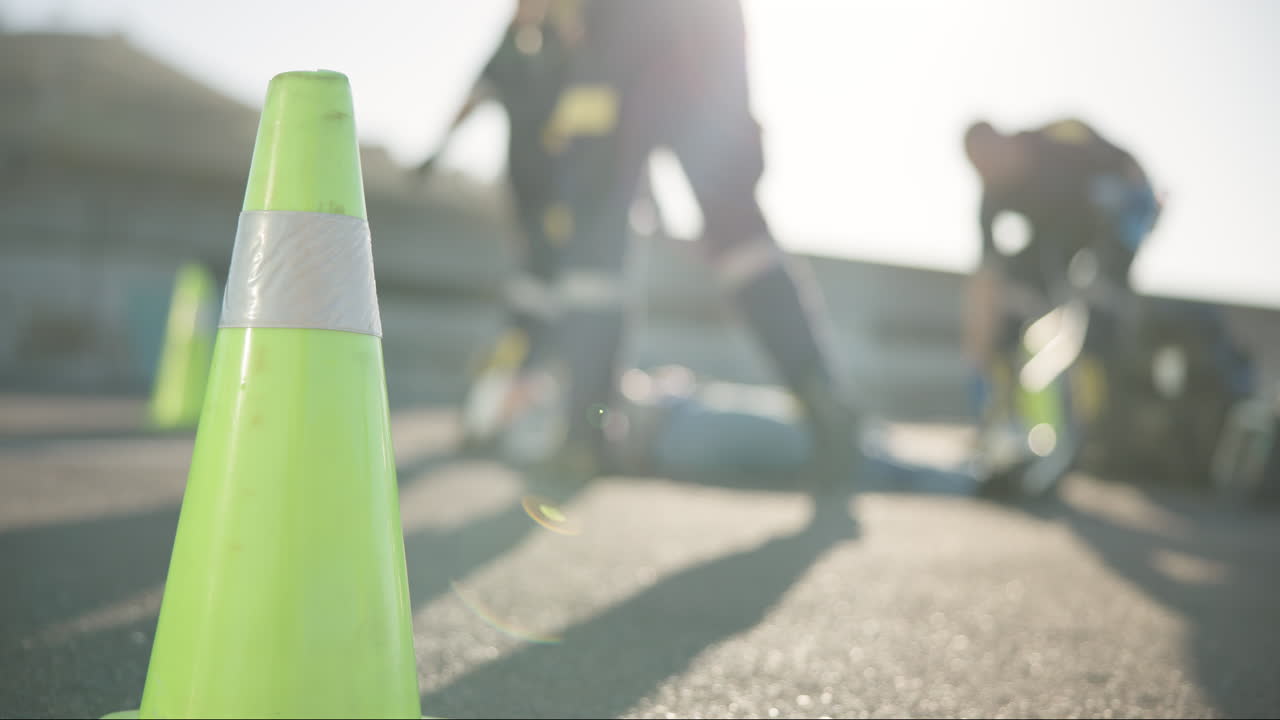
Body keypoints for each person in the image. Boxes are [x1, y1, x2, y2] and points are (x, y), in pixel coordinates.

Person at [531, 0, 861, 494]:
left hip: (622, 35)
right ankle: (826, 411)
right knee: (738, 236)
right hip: (703, 30)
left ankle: (584, 431)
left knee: (596, 251)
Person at [961, 118, 1162, 477]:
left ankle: (1102, 435)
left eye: (991, 159)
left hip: (1113, 220)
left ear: (1005, 140)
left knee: (1098, 318)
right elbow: (986, 278)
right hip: (1059, 241)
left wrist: (1140, 194)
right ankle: (1011, 421)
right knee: (1013, 302)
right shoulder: (993, 196)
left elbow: (1110, 149)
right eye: (980, 168)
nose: (989, 172)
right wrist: (980, 354)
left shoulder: (1054, 138)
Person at [416, 0, 572, 448]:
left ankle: (545, 410)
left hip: (570, 197)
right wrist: (438, 149)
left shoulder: (570, 46)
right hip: (529, 199)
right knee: (532, 300)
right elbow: (474, 99)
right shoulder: (509, 54)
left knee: (551, 300)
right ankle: (498, 408)